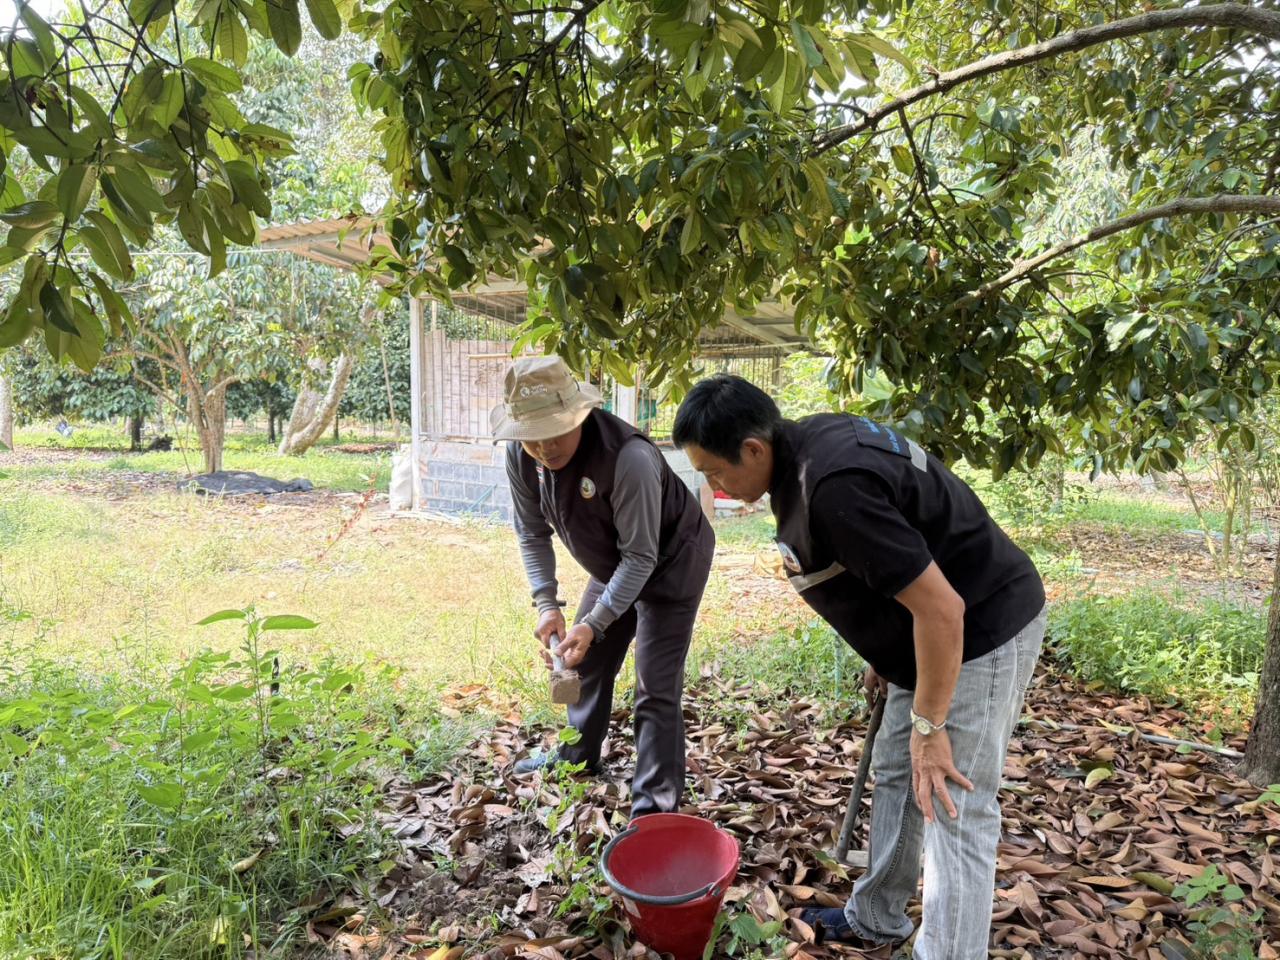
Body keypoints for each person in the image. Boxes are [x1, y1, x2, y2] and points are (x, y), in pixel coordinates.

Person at [672, 374, 1046, 959]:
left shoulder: (832, 487)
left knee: (955, 806)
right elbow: (877, 572)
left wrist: (931, 723)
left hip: (978, 630)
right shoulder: (802, 455)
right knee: (899, 772)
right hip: (925, 638)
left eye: (714, 471)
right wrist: (885, 653)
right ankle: (877, 916)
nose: (712, 484)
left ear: (753, 449)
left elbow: (943, 609)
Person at [492, 356, 715, 816]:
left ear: (581, 413)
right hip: (616, 562)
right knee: (586, 661)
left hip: (672, 563)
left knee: (654, 685)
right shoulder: (522, 456)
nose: (545, 446)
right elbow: (532, 533)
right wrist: (546, 605)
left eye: (556, 430)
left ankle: (655, 806)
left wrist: (594, 622)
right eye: (532, 436)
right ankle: (577, 758)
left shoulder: (627, 458)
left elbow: (642, 558)